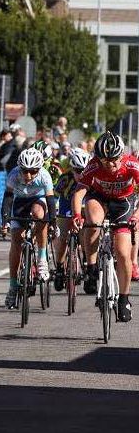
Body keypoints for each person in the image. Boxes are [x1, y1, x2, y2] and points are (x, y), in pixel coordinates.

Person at [71, 131, 139, 322]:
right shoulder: (93, 165)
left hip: (123, 202)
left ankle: (124, 298)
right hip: (99, 198)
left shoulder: (132, 164)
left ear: (122, 155)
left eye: (114, 159)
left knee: (123, 252)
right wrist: (77, 215)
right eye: (105, 160)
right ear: (98, 158)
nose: (110, 164)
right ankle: (91, 267)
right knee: (93, 222)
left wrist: (136, 215)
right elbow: (79, 193)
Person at [1, 148, 56, 309]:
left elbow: (50, 201)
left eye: (33, 171)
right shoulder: (13, 175)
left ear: (39, 169)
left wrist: (52, 222)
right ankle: (13, 286)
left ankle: (42, 258)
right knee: (16, 241)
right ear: (20, 168)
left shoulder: (45, 176)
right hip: (19, 203)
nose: (29, 175)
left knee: (39, 215)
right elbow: (7, 199)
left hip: (39, 200)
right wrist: (5, 221)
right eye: (25, 171)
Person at [52, 148, 90, 291]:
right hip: (66, 208)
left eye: (83, 171)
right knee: (62, 238)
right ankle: (60, 268)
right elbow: (54, 196)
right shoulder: (65, 178)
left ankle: (87, 264)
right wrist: (52, 211)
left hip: (84, 208)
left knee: (86, 235)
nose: (81, 174)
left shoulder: (92, 177)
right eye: (78, 171)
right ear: (72, 169)